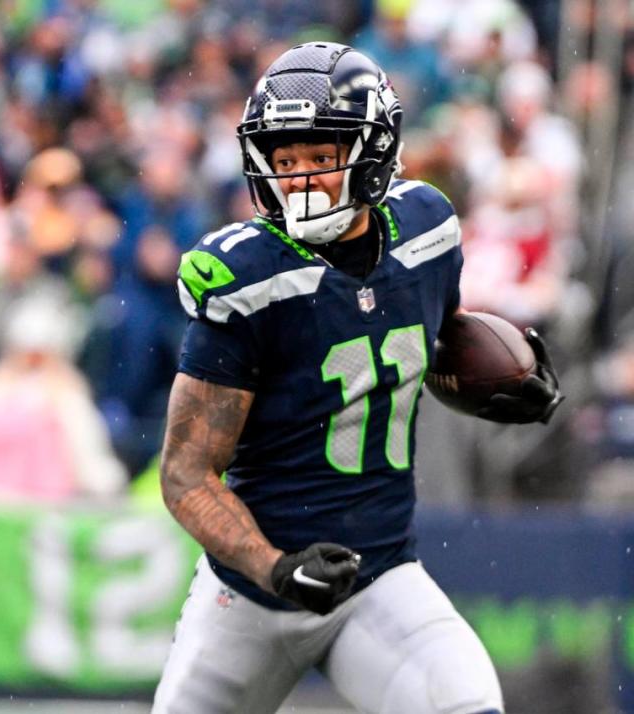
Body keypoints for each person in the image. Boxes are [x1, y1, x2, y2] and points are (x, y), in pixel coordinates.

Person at [153, 42, 563, 714]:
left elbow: (424, 341)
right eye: (285, 160)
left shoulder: (426, 233)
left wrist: (501, 382)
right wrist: (278, 567)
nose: (302, 178)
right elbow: (185, 475)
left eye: (321, 156)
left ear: (374, 152)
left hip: (379, 576)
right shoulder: (249, 279)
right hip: (250, 600)